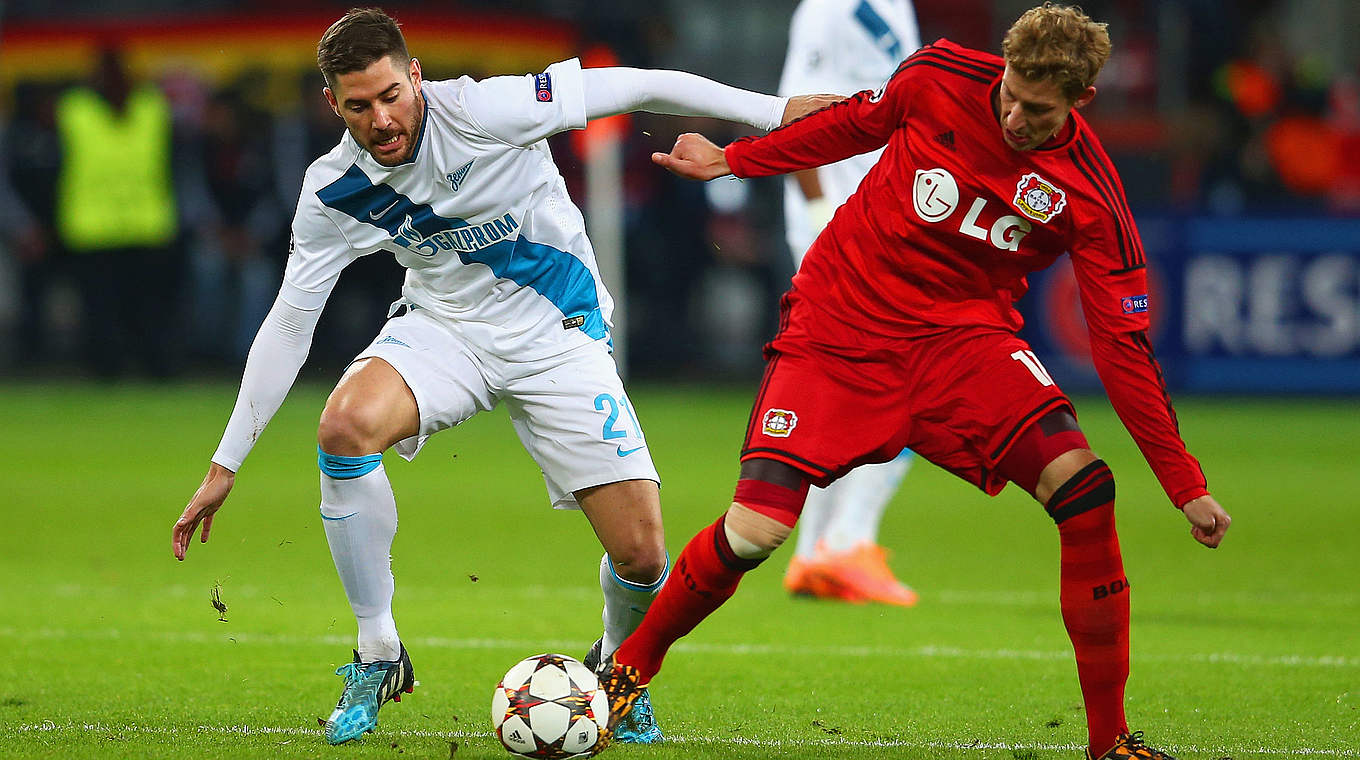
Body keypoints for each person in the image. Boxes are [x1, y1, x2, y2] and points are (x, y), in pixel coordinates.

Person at [168, 7, 830, 748]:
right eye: (359, 105)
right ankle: (377, 651)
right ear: (334, 104)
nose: (382, 118)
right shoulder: (334, 190)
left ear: (414, 75)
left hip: (558, 334)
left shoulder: (485, 109)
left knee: (643, 555)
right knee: (344, 426)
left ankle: (616, 669)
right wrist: (226, 463)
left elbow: (639, 85)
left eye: (392, 95)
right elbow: (291, 321)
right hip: (444, 330)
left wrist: (771, 112)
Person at [597, 5, 1232, 760]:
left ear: (1081, 101)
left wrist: (1183, 481)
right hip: (840, 323)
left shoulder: (1090, 196)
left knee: (1086, 488)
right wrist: (737, 161)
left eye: (1038, 110)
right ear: (1002, 66)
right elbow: (854, 125)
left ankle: (1110, 742)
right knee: (754, 533)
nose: (1016, 116)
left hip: (963, 344)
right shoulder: (940, 77)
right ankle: (626, 673)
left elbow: (1123, 348)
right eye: (1011, 95)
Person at [777, 0, 922, 607]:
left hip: (884, 215)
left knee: (847, 392)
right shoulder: (835, 9)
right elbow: (792, 116)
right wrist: (818, 220)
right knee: (915, 379)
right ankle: (846, 543)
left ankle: (816, 554)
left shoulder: (890, 6)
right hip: (846, 223)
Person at [55, 46, 183, 379]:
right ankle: (125, 370)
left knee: (138, 309)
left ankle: (139, 369)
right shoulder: (145, 106)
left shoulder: (78, 109)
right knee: (115, 309)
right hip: (112, 225)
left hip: (123, 224)